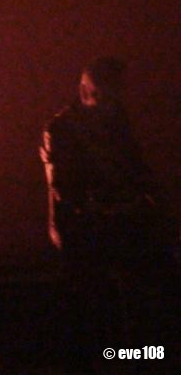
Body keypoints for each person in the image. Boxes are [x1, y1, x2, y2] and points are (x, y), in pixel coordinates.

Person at [40, 56, 178, 369]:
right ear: (85, 91)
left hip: (122, 221)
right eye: (101, 94)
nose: (108, 102)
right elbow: (63, 188)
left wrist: (154, 204)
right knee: (98, 310)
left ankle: (144, 357)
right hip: (87, 227)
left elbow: (137, 168)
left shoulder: (116, 121)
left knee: (153, 296)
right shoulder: (62, 129)